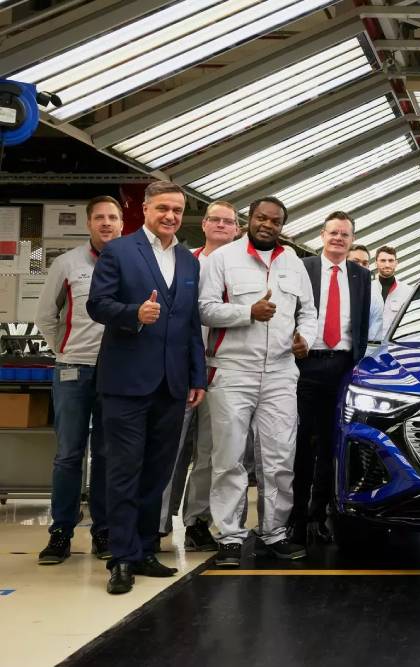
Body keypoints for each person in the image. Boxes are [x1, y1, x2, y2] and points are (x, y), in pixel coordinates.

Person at [87, 181, 206, 594]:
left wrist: (196, 376)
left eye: (177, 210)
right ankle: (121, 557)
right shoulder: (120, 251)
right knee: (124, 470)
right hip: (126, 381)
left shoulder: (188, 261)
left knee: (157, 472)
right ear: (145, 209)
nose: (170, 216)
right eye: (163, 209)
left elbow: (190, 323)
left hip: (172, 384)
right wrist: (133, 314)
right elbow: (97, 304)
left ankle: (143, 549)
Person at [199, 196, 317, 567]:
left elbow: (309, 313)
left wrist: (305, 339)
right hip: (233, 369)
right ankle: (230, 538)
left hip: (281, 371)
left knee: (279, 457)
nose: (267, 225)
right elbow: (204, 309)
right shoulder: (223, 259)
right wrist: (247, 312)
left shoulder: (293, 262)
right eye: (261, 218)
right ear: (248, 219)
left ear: (282, 226)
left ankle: (273, 533)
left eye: (275, 221)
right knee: (229, 457)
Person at [35, 196, 124, 564]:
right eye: (99, 217)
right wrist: (65, 350)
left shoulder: (132, 264)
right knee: (69, 454)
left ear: (122, 223)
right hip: (73, 370)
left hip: (117, 372)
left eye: (113, 217)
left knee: (106, 454)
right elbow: (45, 315)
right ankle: (61, 532)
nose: (106, 223)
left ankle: (103, 531)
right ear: (89, 223)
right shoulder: (67, 263)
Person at [289, 213, 381, 546]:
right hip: (304, 365)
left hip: (343, 369)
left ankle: (319, 516)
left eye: (344, 234)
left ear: (352, 239)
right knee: (299, 444)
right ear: (322, 235)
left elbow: (363, 326)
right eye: (333, 233)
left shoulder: (361, 276)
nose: (338, 238)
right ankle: (296, 517)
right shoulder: (303, 268)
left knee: (333, 445)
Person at [158, 201, 240, 551]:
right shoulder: (182, 261)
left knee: (209, 451)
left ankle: (197, 521)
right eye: (215, 219)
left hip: (220, 368)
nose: (221, 225)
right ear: (203, 224)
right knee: (169, 447)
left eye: (228, 221)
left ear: (237, 229)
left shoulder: (242, 267)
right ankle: (157, 522)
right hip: (178, 368)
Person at [375, 245, 413, 333]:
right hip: (371, 341)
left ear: (396, 263)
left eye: (391, 260)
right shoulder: (366, 290)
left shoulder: (408, 292)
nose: (387, 265)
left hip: (397, 341)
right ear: (376, 263)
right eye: (383, 261)